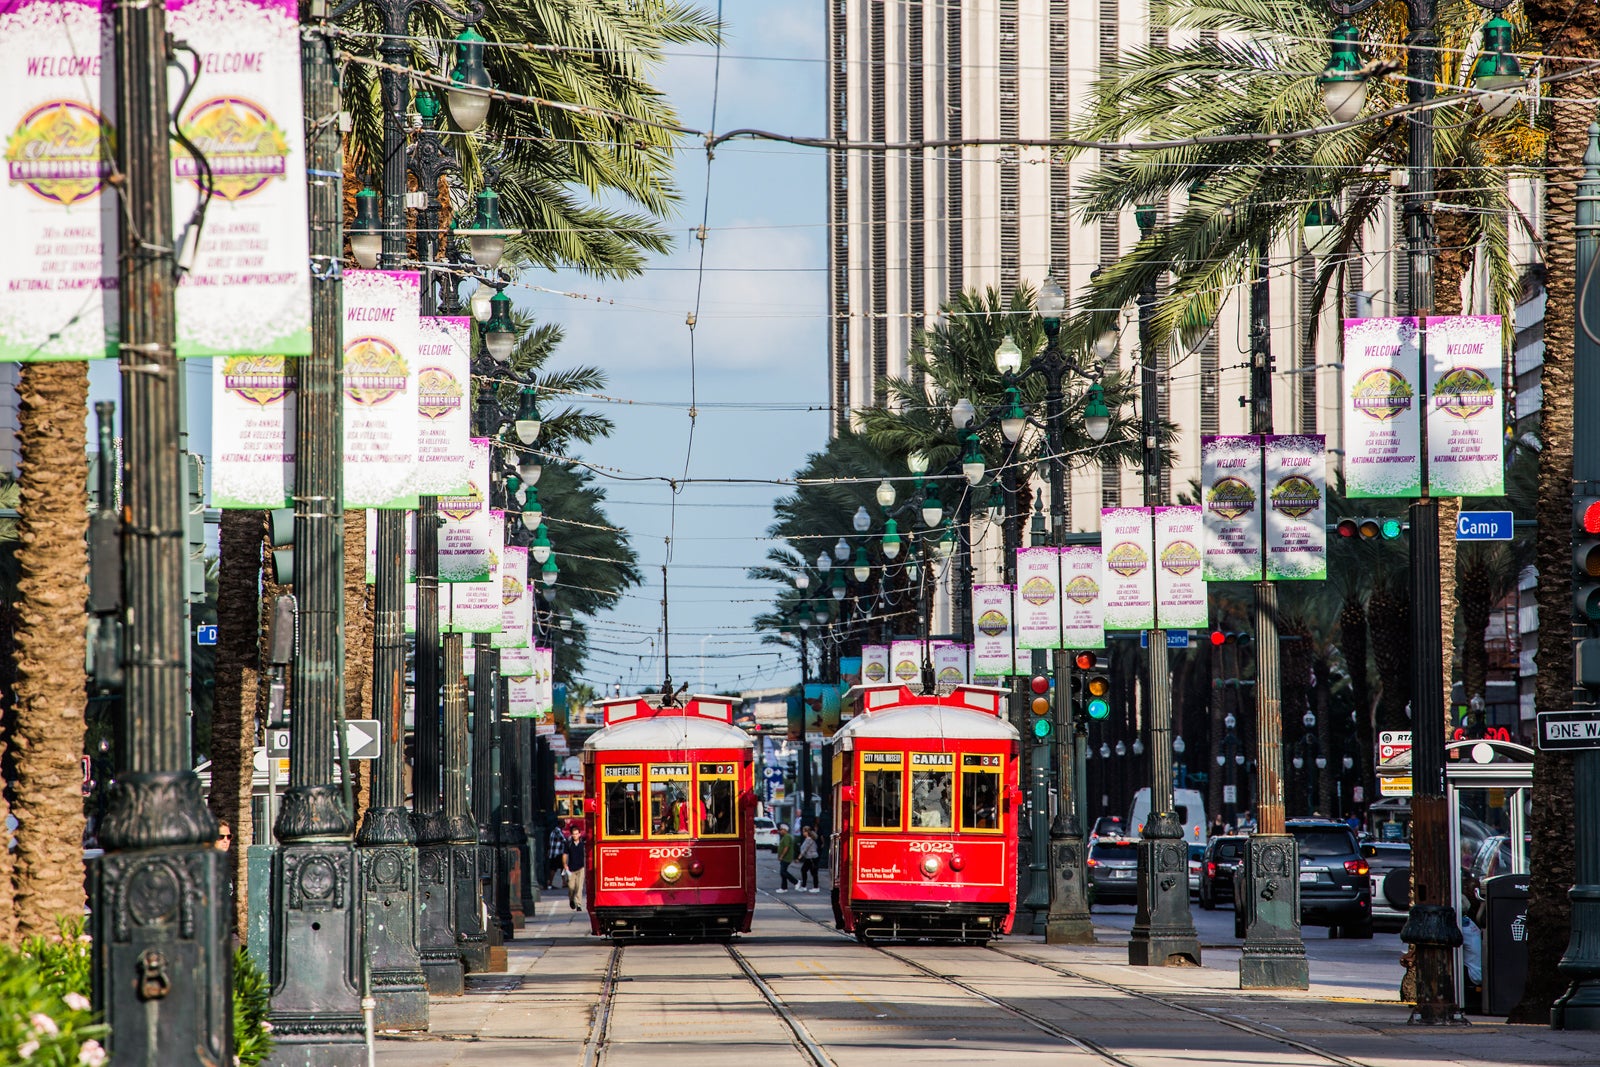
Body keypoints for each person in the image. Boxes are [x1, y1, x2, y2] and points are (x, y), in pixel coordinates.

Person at [562, 826, 587, 911]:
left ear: (579, 834)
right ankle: (571, 900)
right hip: (571, 869)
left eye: (577, 834)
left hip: (581, 868)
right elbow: (565, 855)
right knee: (571, 887)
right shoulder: (568, 843)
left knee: (579, 887)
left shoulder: (582, 843)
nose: (575, 835)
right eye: (574, 834)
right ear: (571, 835)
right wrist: (565, 864)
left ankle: (579, 904)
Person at [546, 822, 569, 889]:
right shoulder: (558, 831)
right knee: (554, 868)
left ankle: (563, 882)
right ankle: (551, 883)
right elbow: (564, 839)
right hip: (557, 853)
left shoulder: (553, 831)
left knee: (560, 868)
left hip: (553, 853)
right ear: (561, 824)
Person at [775, 823, 798, 892]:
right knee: (782, 872)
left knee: (783, 871)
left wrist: (782, 856)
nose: (780, 831)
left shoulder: (787, 837)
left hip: (786, 857)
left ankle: (795, 882)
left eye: (781, 830)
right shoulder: (785, 837)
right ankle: (784, 887)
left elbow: (786, 847)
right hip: (784, 857)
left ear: (785, 830)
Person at [798, 825, 820, 892]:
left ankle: (815, 887)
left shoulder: (809, 840)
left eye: (803, 831)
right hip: (809, 858)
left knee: (812, 872)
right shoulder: (808, 839)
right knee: (806, 871)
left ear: (807, 832)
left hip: (811, 858)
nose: (803, 833)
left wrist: (799, 856)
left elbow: (805, 849)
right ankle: (805, 886)